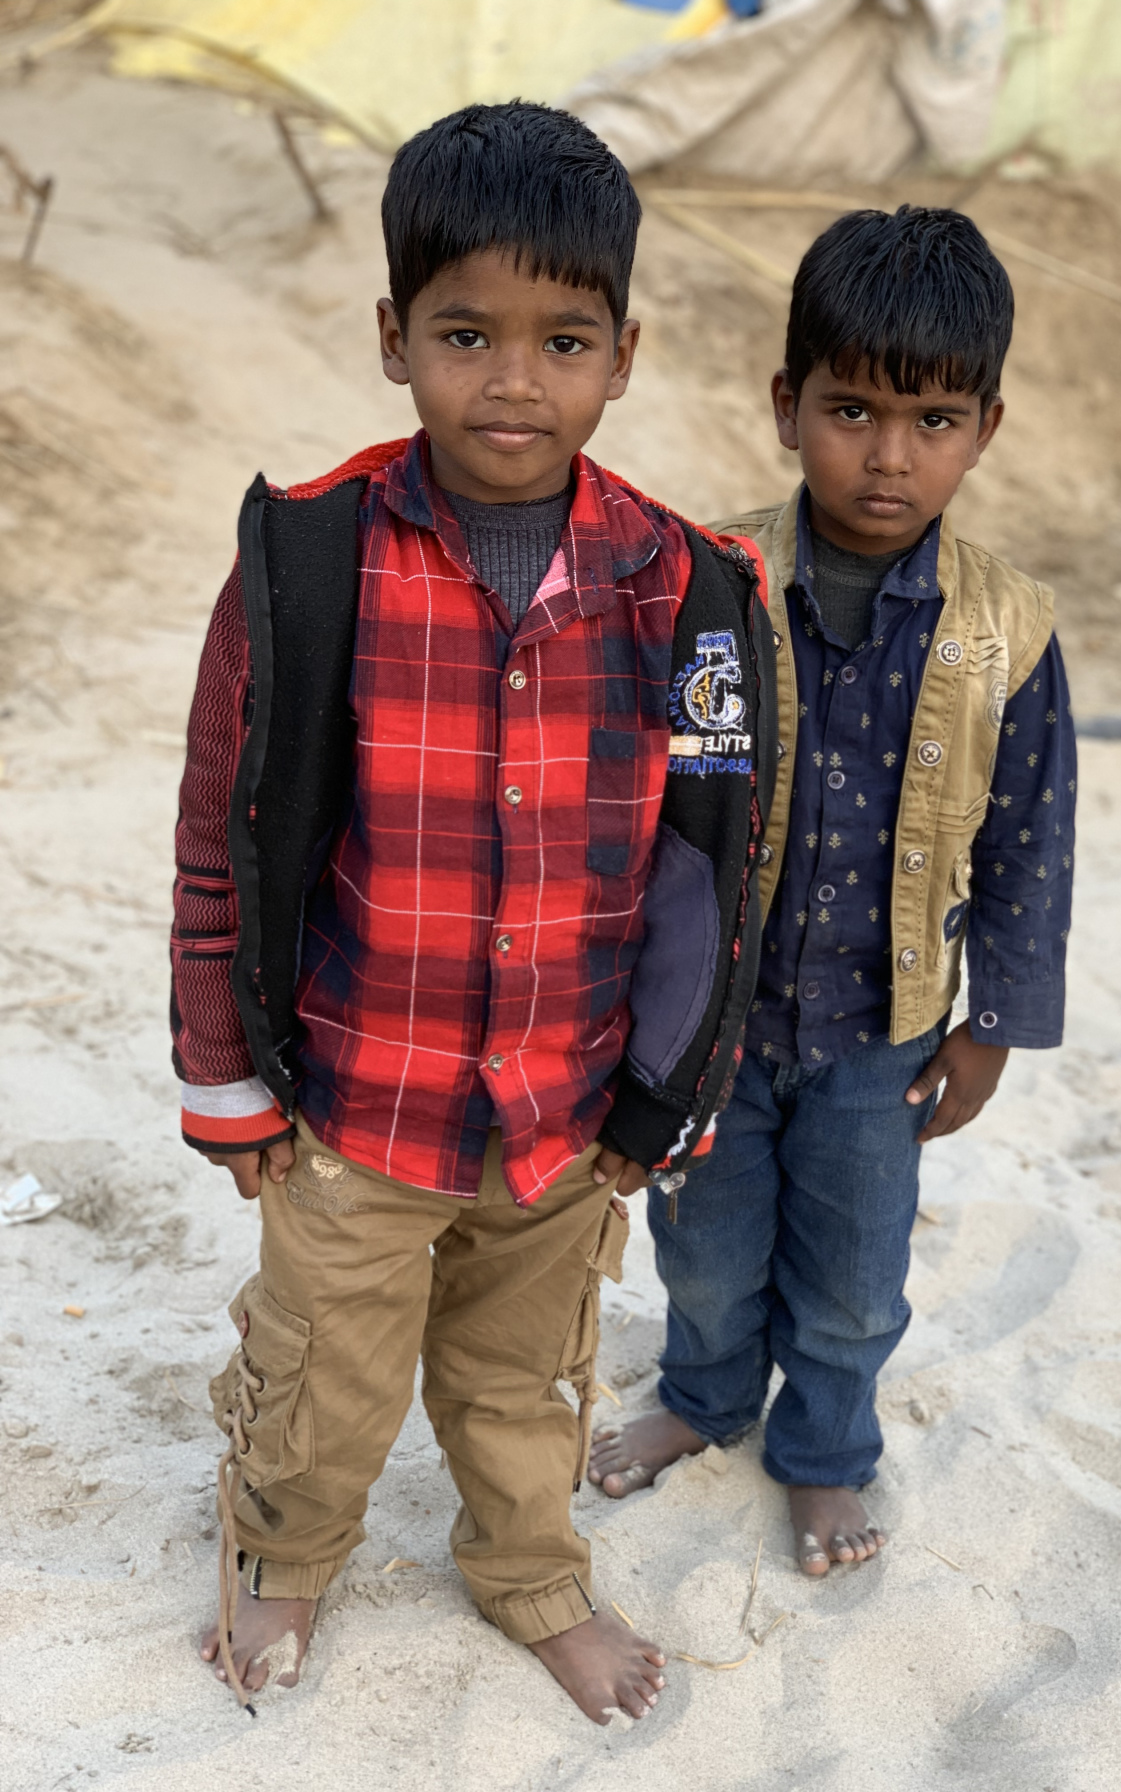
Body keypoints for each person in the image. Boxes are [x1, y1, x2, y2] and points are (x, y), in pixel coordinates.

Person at [171, 101, 775, 1723]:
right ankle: (287, 1555)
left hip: (562, 1113)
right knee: (324, 1375)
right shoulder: (310, 563)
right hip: (358, 1103)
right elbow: (219, 839)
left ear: (624, 353)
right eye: (465, 333)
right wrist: (223, 1071)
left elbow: (714, 865)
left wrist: (674, 1091)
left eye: (562, 338)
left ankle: (525, 1571)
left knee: (528, 1378)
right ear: (393, 337)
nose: (514, 379)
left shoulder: (691, 589)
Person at [589, 206, 1077, 1577]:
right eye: (850, 409)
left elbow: (1031, 838)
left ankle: (824, 1452)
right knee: (704, 1247)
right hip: (720, 1027)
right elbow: (654, 801)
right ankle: (701, 1396)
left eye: (931, 419)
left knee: (857, 1279)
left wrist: (998, 1021)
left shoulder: (1007, 630)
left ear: (985, 425)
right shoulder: (712, 582)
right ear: (784, 405)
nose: (888, 453)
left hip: (886, 1030)